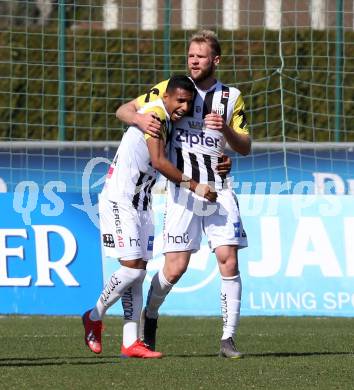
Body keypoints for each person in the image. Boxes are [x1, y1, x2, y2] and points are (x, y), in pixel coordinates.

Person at [116, 30, 251, 359]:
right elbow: (123, 110)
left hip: (219, 190)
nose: (193, 60)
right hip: (183, 192)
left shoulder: (231, 97)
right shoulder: (171, 88)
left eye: (201, 56)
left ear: (215, 61)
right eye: (191, 55)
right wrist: (139, 118)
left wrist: (228, 132)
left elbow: (245, 146)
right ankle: (150, 316)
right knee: (175, 268)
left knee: (228, 258)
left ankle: (228, 339)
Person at [82, 75, 217, 359]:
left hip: (142, 202)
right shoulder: (155, 114)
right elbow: (159, 162)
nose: (183, 107)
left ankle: (131, 343)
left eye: (188, 102)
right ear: (166, 97)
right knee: (131, 270)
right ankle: (94, 315)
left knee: (139, 273)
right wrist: (197, 186)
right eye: (179, 100)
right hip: (121, 199)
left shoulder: (166, 118)